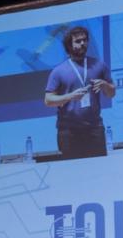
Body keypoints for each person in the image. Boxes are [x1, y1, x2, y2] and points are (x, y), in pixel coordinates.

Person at [44, 25, 115, 159]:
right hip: (68, 131)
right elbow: (48, 100)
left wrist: (105, 85)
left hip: (95, 129)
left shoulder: (99, 65)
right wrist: (70, 96)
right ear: (69, 46)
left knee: (100, 173)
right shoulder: (58, 71)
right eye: (78, 41)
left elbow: (111, 93)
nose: (83, 43)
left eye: (85, 40)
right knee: (72, 174)